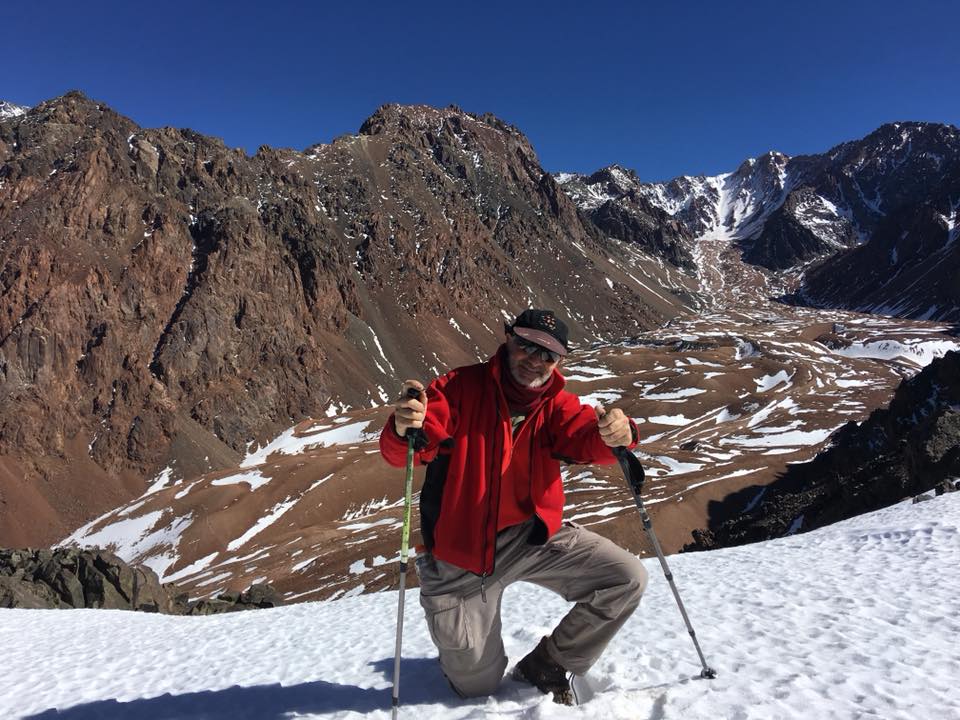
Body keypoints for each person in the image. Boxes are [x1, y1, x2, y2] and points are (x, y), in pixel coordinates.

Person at [379, 308, 648, 705]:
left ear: (560, 361)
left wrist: (618, 435)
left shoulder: (556, 404)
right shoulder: (458, 388)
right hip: (462, 553)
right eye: (526, 345)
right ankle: (464, 650)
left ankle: (549, 664)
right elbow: (409, 444)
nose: (535, 360)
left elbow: (587, 438)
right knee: (476, 686)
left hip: (531, 537)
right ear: (507, 339)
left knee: (626, 578)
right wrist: (404, 427)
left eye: (549, 354)